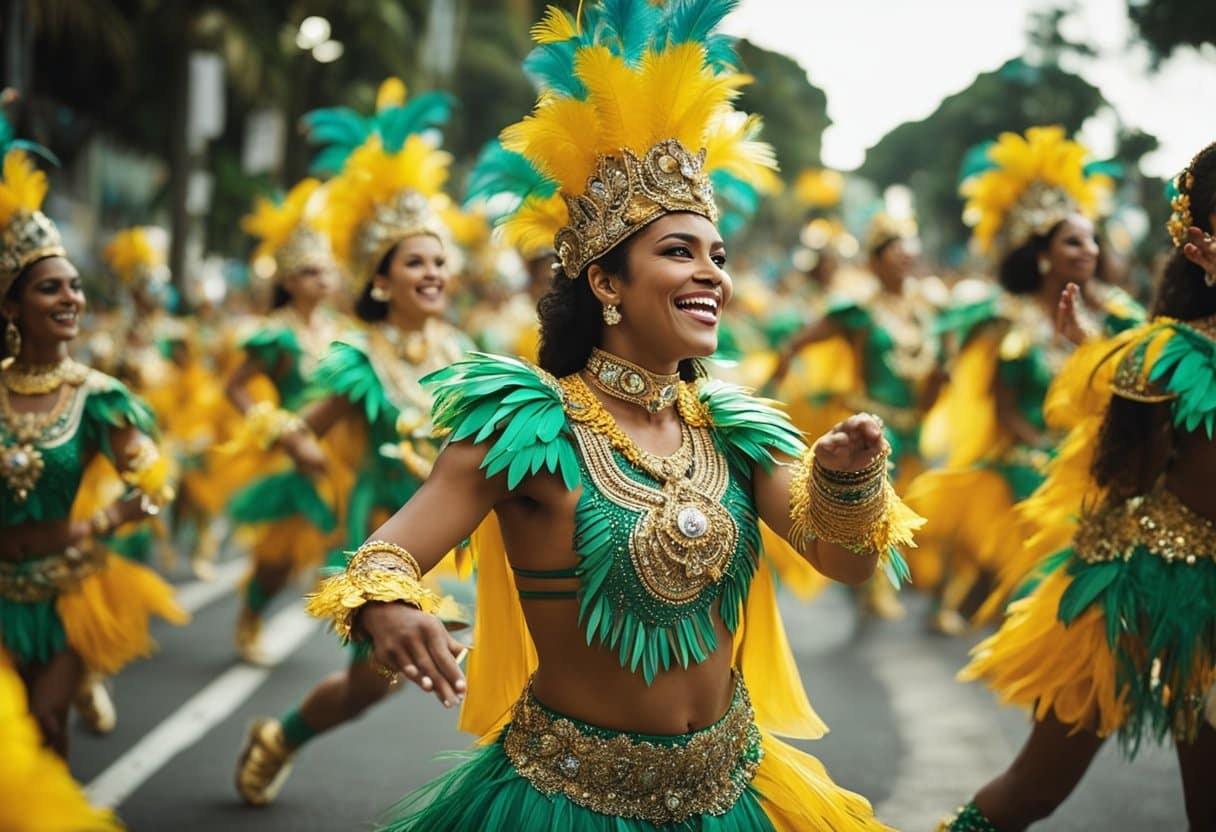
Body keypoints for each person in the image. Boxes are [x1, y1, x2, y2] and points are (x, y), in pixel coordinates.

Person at [307, 4, 920, 829]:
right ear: (605, 283)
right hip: (567, 804)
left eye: (718, 256)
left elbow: (843, 563)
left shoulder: (733, 429)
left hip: (736, 793)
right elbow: (386, 553)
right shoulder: (526, 424)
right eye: (678, 252)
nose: (712, 275)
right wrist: (388, 605)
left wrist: (848, 483)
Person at [938, 140, 1216, 832]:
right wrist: (1101, 374)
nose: (1085, 253)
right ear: (1203, 249)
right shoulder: (1171, 354)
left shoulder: (1135, 331)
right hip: (1139, 595)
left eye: (1092, 241)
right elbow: (1120, 470)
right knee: (1035, 790)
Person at [234, 79, 471, 806]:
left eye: (438, 261)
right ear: (380, 279)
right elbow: (299, 423)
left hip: (465, 540)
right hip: (387, 547)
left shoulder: (466, 351)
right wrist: (298, 445)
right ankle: (281, 736)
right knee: (373, 689)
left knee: (512, 673)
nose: (432, 272)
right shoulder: (358, 360)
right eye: (414, 263)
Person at [904, 127, 1142, 633]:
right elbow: (1004, 403)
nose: (1089, 250)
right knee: (1026, 512)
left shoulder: (1122, 316)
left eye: (1092, 239)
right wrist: (1042, 446)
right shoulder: (1008, 321)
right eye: (1073, 241)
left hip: (1106, 455)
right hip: (1030, 451)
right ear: (1042, 253)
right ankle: (996, 612)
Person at [0, 147, 185, 757]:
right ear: (11, 306)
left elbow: (155, 484)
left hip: (65, 593)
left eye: (75, 287)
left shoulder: (97, 398)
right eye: (49, 288)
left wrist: (101, 521)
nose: (69, 299)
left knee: (47, 727)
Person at [770, 212, 945, 621]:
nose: (906, 256)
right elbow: (801, 338)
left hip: (913, 420)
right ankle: (873, 589)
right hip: (874, 420)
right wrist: (781, 371)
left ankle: (901, 578)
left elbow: (940, 366)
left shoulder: (926, 308)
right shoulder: (859, 311)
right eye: (894, 249)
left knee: (918, 502)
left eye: (909, 248)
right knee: (877, 502)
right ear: (877, 260)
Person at [223, 178, 347, 664]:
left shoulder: (342, 332)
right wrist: (271, 426)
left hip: (339, 457)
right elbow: (235, 387)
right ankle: (251, 616)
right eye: (310, 272)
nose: (322, 280)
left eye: (326, 272)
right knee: (277, 558)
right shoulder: (276, 336)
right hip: (292, 458)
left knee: (354, 545)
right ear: (290, 281)